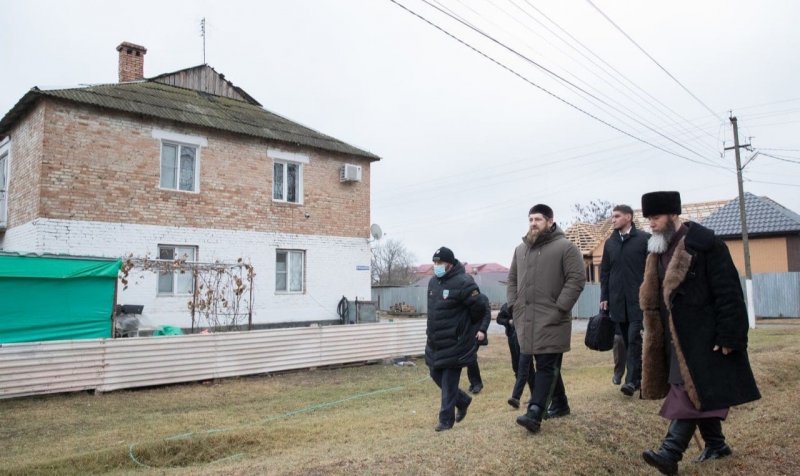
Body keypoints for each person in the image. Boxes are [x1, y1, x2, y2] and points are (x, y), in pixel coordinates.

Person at [637, 191, 761, 475]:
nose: (652, 224)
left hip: (703, 337)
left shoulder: (706, 245)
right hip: (671, 339)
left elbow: (728, 293)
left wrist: (730, 336)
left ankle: (670, 453)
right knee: (699, 390)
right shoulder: (655, 251)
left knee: (687, 391)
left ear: (673, 215)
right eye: (648, 220)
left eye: (656, 218)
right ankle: (716, 444)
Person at [507, 204, 586, 433]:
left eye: (538, 219)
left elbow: (576, 279)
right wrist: (514, 305)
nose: (533, 223)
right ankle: (560, 404)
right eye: (531, 219)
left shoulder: (565, 247)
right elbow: (512, 280)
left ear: (550, 221)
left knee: (546, 364)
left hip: (553, 317)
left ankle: (535, 412)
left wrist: (560, 307)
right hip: (526, 317)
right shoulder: (520, 249)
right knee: (544, 363)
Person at [425, 246, 491, 432]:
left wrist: (467, 330)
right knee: (435, 374)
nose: (436, 266)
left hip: (456, 342)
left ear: (450, 264)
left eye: (440, 263)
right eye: (435, 262)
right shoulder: (433, 283)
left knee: (449, 381)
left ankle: (446, 421)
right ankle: (462, 401)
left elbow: (479, 308)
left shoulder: (464, 282)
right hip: (436, 341)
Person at [599, 204, 650, 396]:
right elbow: (605, 273)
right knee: (627, 342)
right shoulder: (610, 244)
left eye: (617, 216)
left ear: (629, 217)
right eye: (612, 217)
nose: (613, 220)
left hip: (639, 300)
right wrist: (604, 297)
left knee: (635, 338)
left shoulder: (644, 239)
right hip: (617, 301)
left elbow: (652, 271)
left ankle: (630, 380)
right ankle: (638, 379)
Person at [496, 303, 535, 408]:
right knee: (518, 367)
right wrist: (508, 322)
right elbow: (499, 319)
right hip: (512, 338)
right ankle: (533, 396)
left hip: (526, 338)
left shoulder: (528, 304)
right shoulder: (507, 305)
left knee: (526, 367)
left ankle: (519, 397)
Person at [466, 299, 491, 394]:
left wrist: (482, 330)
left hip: (476, 333)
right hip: (465, 334)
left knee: (471, 356)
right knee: (468, 358)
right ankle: (474, 383)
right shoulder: (463, 298)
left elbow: (487, 315)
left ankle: (477, 383)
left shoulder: (481, 298)